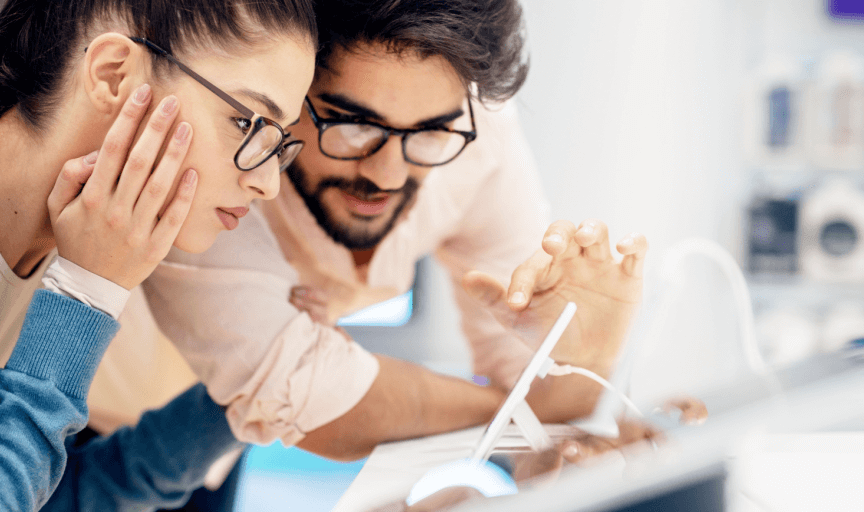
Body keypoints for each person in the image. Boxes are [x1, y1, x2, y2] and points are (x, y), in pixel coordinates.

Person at [132, 0, 649, 463]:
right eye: (353, 125)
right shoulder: (221, 165)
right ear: (290, 83)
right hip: (100, 427)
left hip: (218, 448)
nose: (388, 176)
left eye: (428, 133)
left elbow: (529, 364)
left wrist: (583, 367)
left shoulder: (477, 130)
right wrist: (527, 413)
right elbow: (316, 403)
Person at [0, 0, 316, 508]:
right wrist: (85, 296)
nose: (267, 184)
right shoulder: (77, 272)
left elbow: (62, 499)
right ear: (113, 76)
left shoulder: (57, 248)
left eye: (278, 144)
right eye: (245, 123)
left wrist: (238, 395)